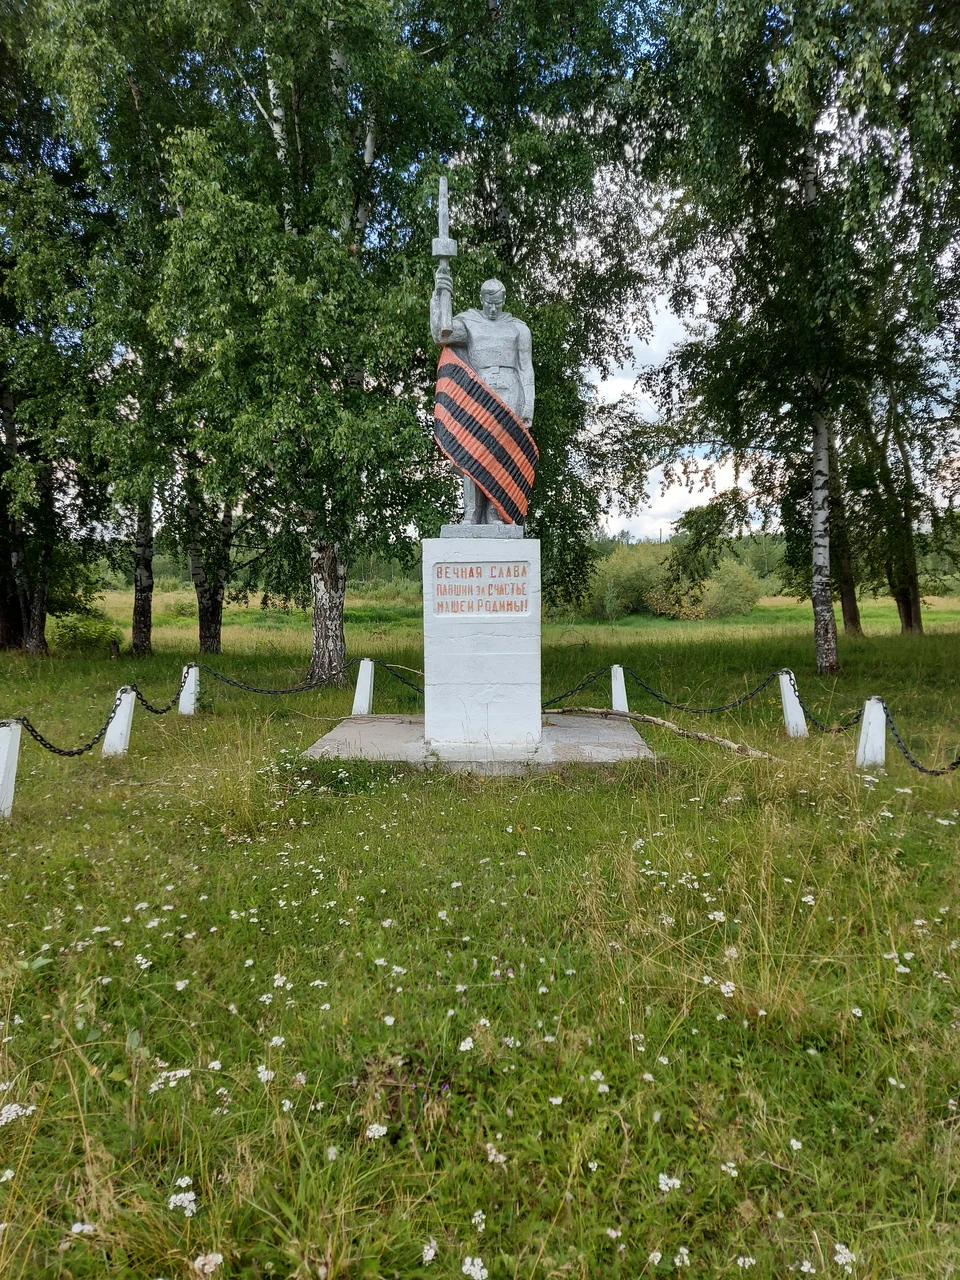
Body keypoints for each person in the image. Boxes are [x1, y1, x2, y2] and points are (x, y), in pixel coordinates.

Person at [430, 268, 535, 524]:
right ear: (481, 299)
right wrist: (441, 292)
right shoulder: (469, 321)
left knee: (500, 453)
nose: (492, 309)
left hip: (511, 392)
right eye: (488, 303)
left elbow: (526, 368)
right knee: (472, 449)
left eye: (497, 303)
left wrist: (528, 406)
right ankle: (470, 513)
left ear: (504, 300)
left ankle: (496, 514)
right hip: (479, 392)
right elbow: (441, 334)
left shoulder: (518, 328)